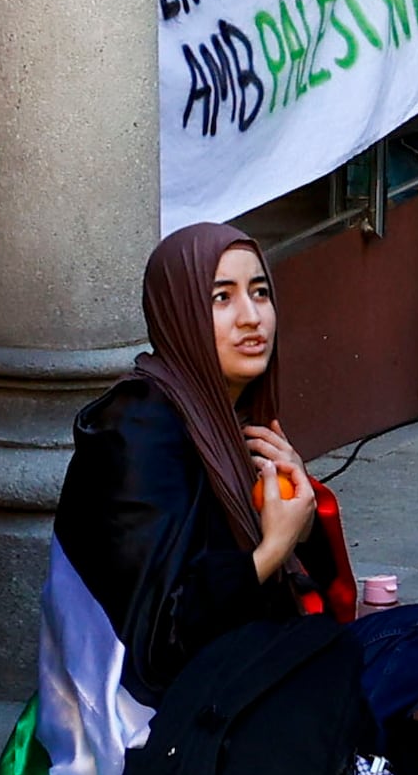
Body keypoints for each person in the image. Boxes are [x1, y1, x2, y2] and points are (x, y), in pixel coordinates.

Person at [56, 224, 352, 686]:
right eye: (221, 298)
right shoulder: (139, 429)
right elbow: (160, 637)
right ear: (179, 313)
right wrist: (272, 550)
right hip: (155, 720)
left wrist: (304, 521)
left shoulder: (231, 417)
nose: (251, 317)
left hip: (234, 671)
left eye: (260, 293)